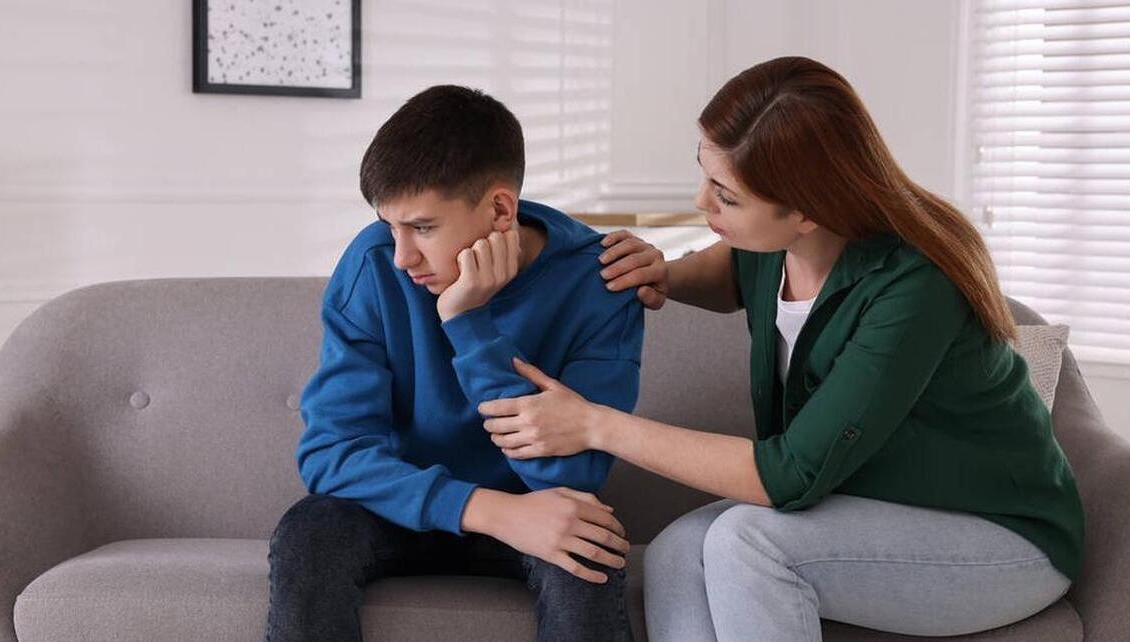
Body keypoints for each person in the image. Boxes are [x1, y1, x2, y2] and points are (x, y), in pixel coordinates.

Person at [477, 56, 1084, 640]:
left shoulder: (916, 290)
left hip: (999, 540)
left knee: (748, 544)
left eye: (727, 196)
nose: (700, 202)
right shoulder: (775, 249)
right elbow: (734, 276)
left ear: (806, 212)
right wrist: (664, 273)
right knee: (678, 552)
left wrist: (594, 425)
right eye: (704, 173)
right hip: (868, 510)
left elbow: (790, 476)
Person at [264, 85, 643, 642]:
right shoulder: (375, 265)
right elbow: (332, 454)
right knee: (311, 532)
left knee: (589, 547)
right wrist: (486, 510)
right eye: (390, 226)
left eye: (422, 227)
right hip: (396, 505)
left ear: (499, 209)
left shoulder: (600, 282)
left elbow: (572, 476)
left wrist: (468, 321)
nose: (402, 256)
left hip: (534, 509)